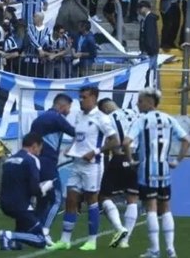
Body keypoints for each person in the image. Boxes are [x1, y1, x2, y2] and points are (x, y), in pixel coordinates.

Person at [48, 86, 122, 251]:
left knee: (91, 200)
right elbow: (78, 137)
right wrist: (71, 148)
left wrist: (94, 152)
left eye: (84, 97)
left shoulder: (102, 118)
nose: (81, 100)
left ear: (94, 98)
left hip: (93, 166)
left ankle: (92, 241)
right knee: (71, 199)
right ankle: (65, 239)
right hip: (77, 164)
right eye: (80, 97)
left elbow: (115, 141)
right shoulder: (79, 116)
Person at [123, 87, 190, 258]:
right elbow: (186, 140)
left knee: (151, 208)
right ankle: (171, 250)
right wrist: (178, 161)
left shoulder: (142, 120)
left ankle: (154, 250)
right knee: (166, 208)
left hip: (147, 171)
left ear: (149, 102)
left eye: (140, 101)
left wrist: (131, 160)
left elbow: (126, 142)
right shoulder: (169, 119)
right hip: (164, 171)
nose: (138, 104)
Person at [29, 94, 75, 241]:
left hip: (36, 163)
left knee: (42, 200)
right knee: (56, 199)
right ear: (62, 106)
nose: (69, 112)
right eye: (68, 108)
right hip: (48, 164)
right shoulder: (56, 118)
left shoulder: (39, 119)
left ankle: (34, 232)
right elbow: (76, 133)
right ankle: (44, 232)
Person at [0, 132, 54, 250]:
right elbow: (34, 189)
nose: (40, 151)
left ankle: (14, 242)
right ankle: (9, 235)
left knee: (23, 222)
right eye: (40, 148)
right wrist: (44, 188)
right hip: (21, 206)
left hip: (4, 203)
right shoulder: (32, 160)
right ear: (34, 146)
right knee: (41, 240)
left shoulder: (9, 160)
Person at [97, 98, 139, 248]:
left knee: (104, 197)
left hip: (119, 156)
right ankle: (125, 241)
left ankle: (120, 228)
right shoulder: (134, 113)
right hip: (135, 157)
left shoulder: (107, 119)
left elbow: (110, 142)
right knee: (132, 198)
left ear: (105, 108)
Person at [138, 0, 159, 79]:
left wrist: (148, 50)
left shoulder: (149, 19)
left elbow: (149, 35)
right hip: (151, 50)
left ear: (145, 8)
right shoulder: (147, 19)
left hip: (150, 51)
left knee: (148, 72)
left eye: (140, 8)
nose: (139, 11)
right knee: (152, 72)